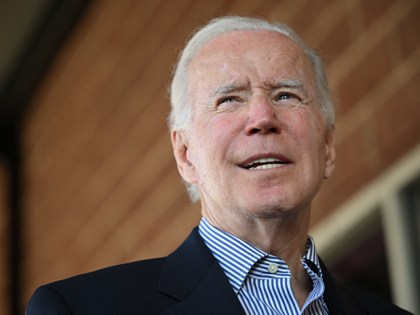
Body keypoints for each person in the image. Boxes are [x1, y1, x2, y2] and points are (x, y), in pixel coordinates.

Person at [26, 16, 413, 315]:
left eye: (286, 94)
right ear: (186, 155)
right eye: (229, 99)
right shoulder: (80, 309)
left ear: (327, 145)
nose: (262, 116)